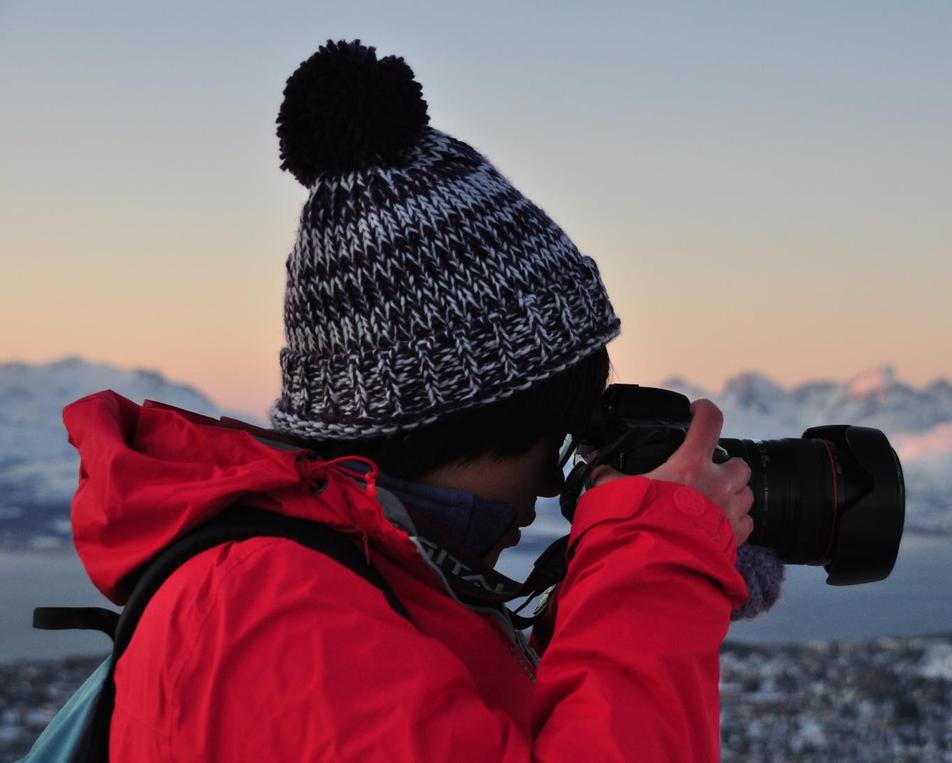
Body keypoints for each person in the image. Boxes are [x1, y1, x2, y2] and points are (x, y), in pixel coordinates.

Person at [62, 39, 779, 761]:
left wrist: (617, 589)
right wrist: (655, 570)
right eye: (550, 430)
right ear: (470, 420)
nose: (547, 479)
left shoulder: (367, 581)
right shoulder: (265, 609)